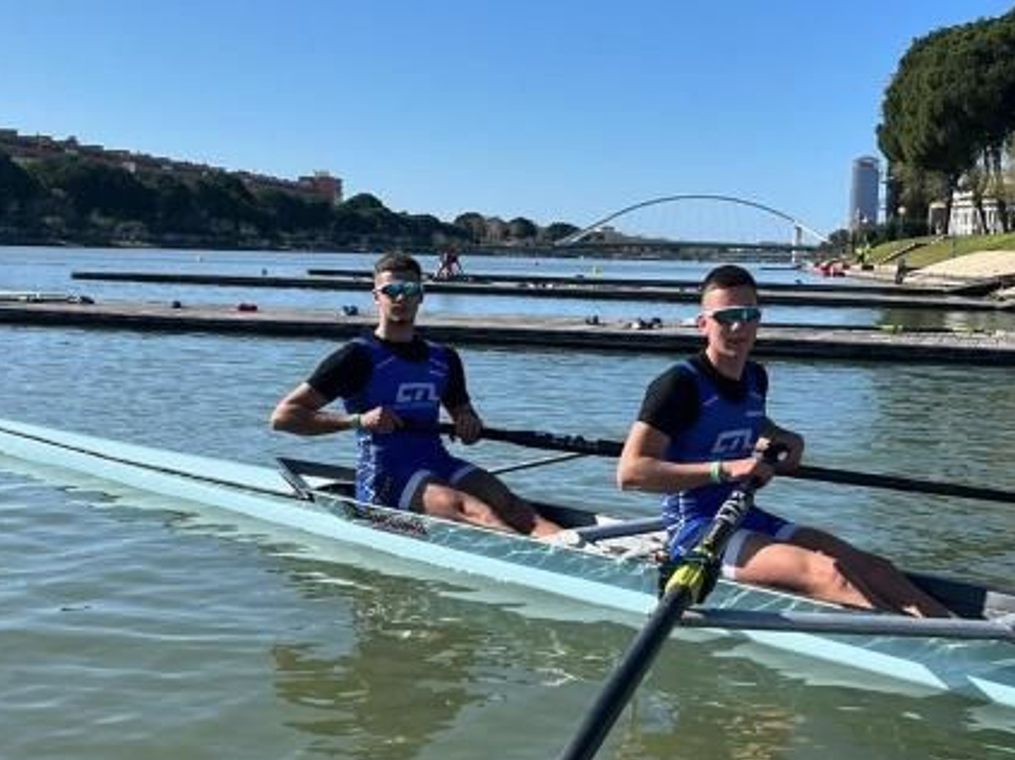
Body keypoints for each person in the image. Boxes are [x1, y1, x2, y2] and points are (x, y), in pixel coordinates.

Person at [616, 264, 949, 616]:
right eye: (725, 317)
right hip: (697, 528)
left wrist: (783, 438)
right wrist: (725, 469)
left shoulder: (755, 377)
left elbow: (747, 420)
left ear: (759, 320)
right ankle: (923, 652)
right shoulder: (677, 386)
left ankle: (960, 634)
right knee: (830, 574)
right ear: (703, 324)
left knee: (874, 568)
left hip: (743, 513)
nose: (737, 326)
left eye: (748, 315)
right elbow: (631, 473)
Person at [269, 251, 561, 536]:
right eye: (391, 289)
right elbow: (283, 417)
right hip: (386, 476)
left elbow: (465, 418)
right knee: (474, 511)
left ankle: (588, 552)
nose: (401, 297)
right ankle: (547, 565)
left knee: (511, 505)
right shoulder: (355, 357)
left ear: (421, 295)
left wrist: (469, 423)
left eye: (409, 289)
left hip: (438, 460)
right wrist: (357, 421)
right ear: (376, 296)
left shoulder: (444, 358)